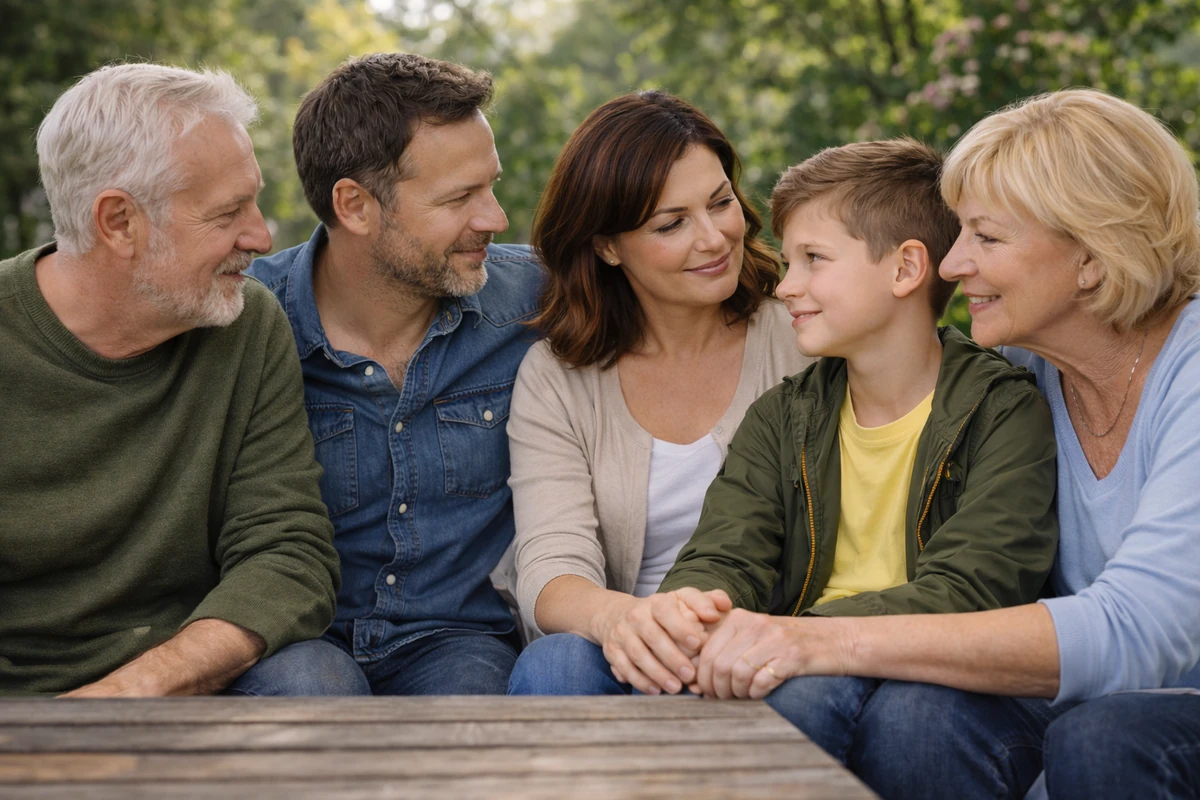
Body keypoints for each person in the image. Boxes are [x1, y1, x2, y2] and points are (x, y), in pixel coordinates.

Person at [680, 89, 1200, 800]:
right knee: (920, 713)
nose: (952, 266)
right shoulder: (1026, 371)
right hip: (1074, 703)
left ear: (1091, 255)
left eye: (986, 238)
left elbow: (1137, 630)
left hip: (1154, 710)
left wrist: (811, 638)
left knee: (1102, 738)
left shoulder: (1187, 371)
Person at [654, 137, 1059, 761]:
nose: (786, 287)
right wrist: (693, 607)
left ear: (904, 269)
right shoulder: (783, 417)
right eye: (788, 262)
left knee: (898, 716)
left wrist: (795, 635)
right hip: (803, 665)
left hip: (945, 674)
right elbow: (728, 552)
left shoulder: (1001, 409)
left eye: (814, 259)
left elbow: (975, 587)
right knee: (774, 696)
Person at [0, 63, 341, 697]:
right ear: (119, 222)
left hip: (185, 673)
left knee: (316, 678)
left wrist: (130, 693)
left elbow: (287, 553)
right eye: (227, 213)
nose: (262, 236)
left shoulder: (245, 321)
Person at [247, 53, 541, 696]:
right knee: (311, 696)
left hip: (459, 638)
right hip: (302, 640)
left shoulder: (538, 299)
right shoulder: (246, 323)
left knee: (470, 716)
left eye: (490, 185)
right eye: (460, 197)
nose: (495, 218)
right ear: (354, 205)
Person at [505, 91, 811, 697]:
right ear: (607, 246)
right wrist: (626, 622)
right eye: (671, 224)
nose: (715, 238)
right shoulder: (557, 377)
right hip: (628, 652)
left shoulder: (804, 332)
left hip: (773, 646)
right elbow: (550, 563)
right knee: (555, 665)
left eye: (721, 202)